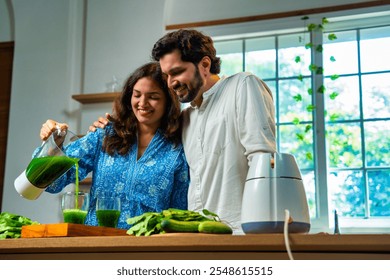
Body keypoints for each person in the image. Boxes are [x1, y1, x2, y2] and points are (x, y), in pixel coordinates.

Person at [92, 29, 276, 233]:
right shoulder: (186, 118)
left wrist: (262, 228)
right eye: (166, 75)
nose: (171, 82)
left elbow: (263, 160)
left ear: (205, 65)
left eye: (177, 72)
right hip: (200, 235)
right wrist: (107, 127)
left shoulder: (242, 86)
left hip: (242, 232)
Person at [38, 62, 190, 229]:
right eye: (137, 95)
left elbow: (179, 214)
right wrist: (54, 144)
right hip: (97, 244)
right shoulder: (105, 135)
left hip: (148, 247)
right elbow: (52, 183)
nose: (142, 103)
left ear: (168, 102)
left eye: (153, 96)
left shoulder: (178, 150)